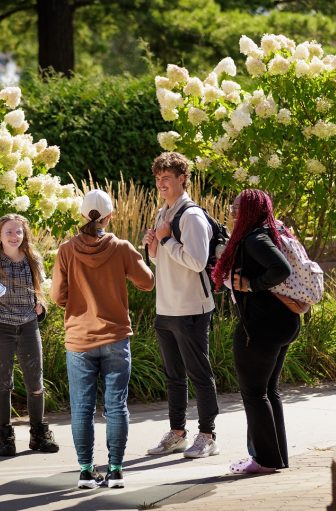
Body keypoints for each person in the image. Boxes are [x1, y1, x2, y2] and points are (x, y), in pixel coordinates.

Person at [51, 189, 154, 489]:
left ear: (82, 216)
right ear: (110, 217)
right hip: (116, 338)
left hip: (80, 340)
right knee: (116, 406)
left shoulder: (66, 250)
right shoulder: (121, 248)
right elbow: (147, 282)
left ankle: (85, 471)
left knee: (82, 408)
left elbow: (57, 296)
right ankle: (116, 470)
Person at [211, 189, 300, 475]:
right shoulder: (268, 233)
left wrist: (252, 285)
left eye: (236, 208)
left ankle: (263, 459)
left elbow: (281, 269)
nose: (232, 213)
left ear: (249, 211)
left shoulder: (255, 239)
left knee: (254, 393)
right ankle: (275, 457)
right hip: (282, 324)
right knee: (268, 391)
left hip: (261, 329)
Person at [142, 152, 220, 459]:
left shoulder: (191, 216)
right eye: (158, 178)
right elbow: (161, 258)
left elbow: (197, 261)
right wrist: (153, 245)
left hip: (191, 308)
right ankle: (177, 434)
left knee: (199, 373)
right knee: (174, 375)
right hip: (166, 307)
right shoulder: (164, 212)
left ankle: (208, 436)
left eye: (167, 178)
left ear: (182, 179)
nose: (161, 183)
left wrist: (165, 241)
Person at [0, 214, 59, 457]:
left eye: (18, 232)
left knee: (35, 383)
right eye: (9, 232)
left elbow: (40, 292)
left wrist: (41, 305)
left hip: (28, 325)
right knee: (2, 383)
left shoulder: (33, 259)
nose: (14, 236)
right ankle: (5, 436)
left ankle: (39, 434)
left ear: (24, 235)